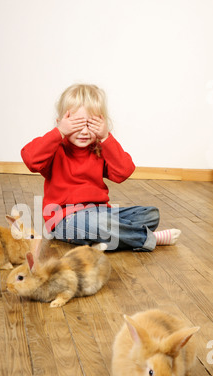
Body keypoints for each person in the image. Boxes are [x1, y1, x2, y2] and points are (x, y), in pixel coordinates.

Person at [21, 83, 181, 251]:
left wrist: (105, 137)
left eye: (91, 126)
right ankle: (146, 238)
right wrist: (59, 132)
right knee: (97, 224)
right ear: (61, 123)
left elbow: (124, 172)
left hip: (101, 214)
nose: (84, 132)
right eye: (76, 125)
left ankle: (101, 239)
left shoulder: (98, 149)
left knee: (150, 214)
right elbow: (30, 159)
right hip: (65, 220)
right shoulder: (55, 149)